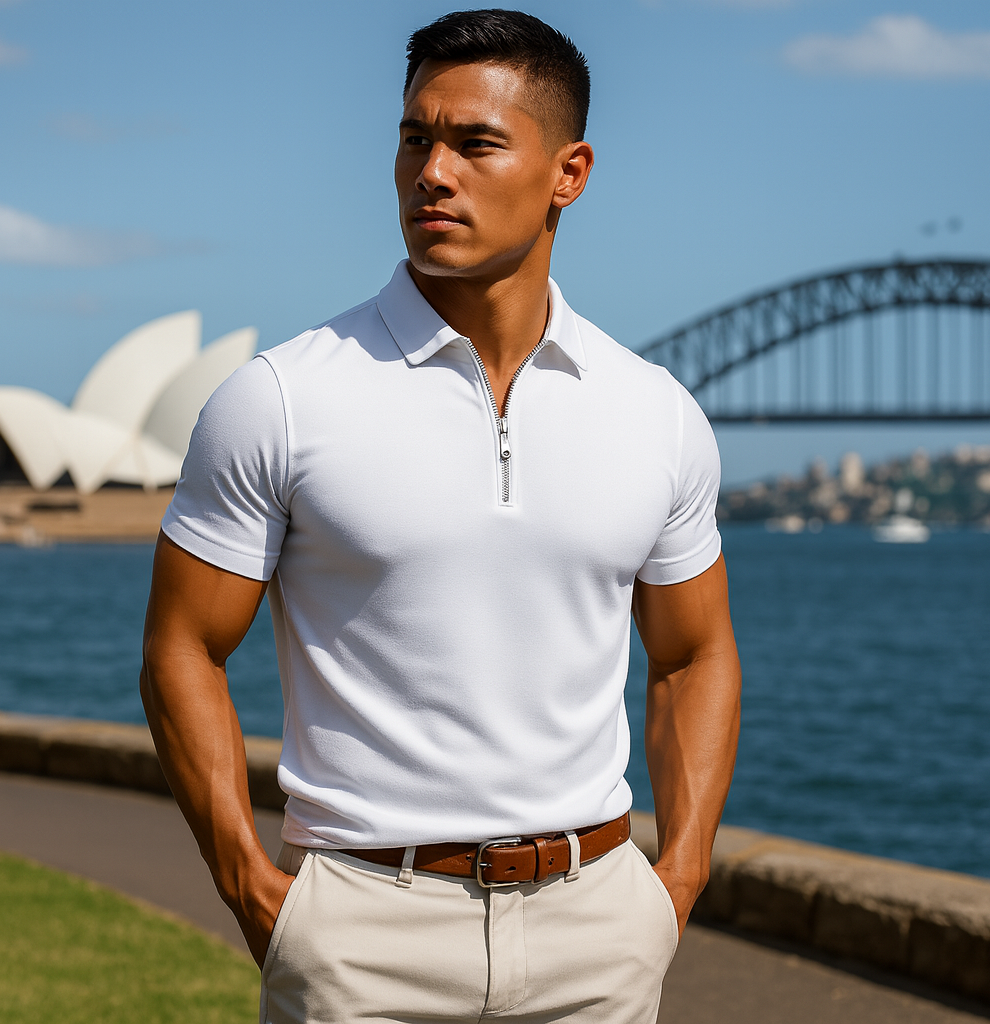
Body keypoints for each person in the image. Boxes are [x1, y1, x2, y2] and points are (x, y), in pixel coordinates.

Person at [140, 9, 740, 1023]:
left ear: (569, 171)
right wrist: (250, 884)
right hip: (364, 928)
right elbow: (181, 646)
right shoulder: (281, 397)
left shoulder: (655, 412)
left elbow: (693, 656)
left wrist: (673, 881)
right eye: (415, 138)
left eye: (474, 142)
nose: (432, 171)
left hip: (596, 925)